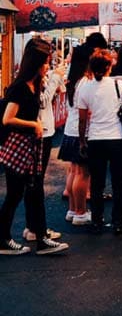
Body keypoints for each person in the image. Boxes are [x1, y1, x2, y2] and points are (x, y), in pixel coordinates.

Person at [0, 37, 69, 255]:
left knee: (31, 190)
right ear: (36, 64)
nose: (48, 66)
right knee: (16, 194)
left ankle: (39, 238)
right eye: (46, 63)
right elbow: (7, 118)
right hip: (18, 146)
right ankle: (9, 239)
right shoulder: (20, 87)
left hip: (30, 145)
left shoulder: (34, 84)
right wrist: (33, 124)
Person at [78, 49, 122, 235]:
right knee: (118, 182)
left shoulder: (85, 88)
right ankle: (118, 221)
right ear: (109, 67)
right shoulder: (118, 86)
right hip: (118, 141)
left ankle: (97, 221)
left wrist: (82, 141)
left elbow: (82, 120)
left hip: (96, 141)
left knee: (97, 184)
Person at [22, 45, 67, 242]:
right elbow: (41, 102)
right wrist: (55, 78)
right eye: (46, 61)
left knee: (33, 184)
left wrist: (54, 82)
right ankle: (37, 230)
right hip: (40, 133)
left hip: (44, 131)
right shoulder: (27, 80)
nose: (48, 65)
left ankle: (34, 227)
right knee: (35, 183)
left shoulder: (35, 78)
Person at [59, 44, 92, 226]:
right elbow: (86, 113)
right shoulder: (85, 82)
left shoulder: (73, 80)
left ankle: (73, 210)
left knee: (74, 170)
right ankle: (81, 212)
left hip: (69, 131)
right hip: (81, 133)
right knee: (83, 173)